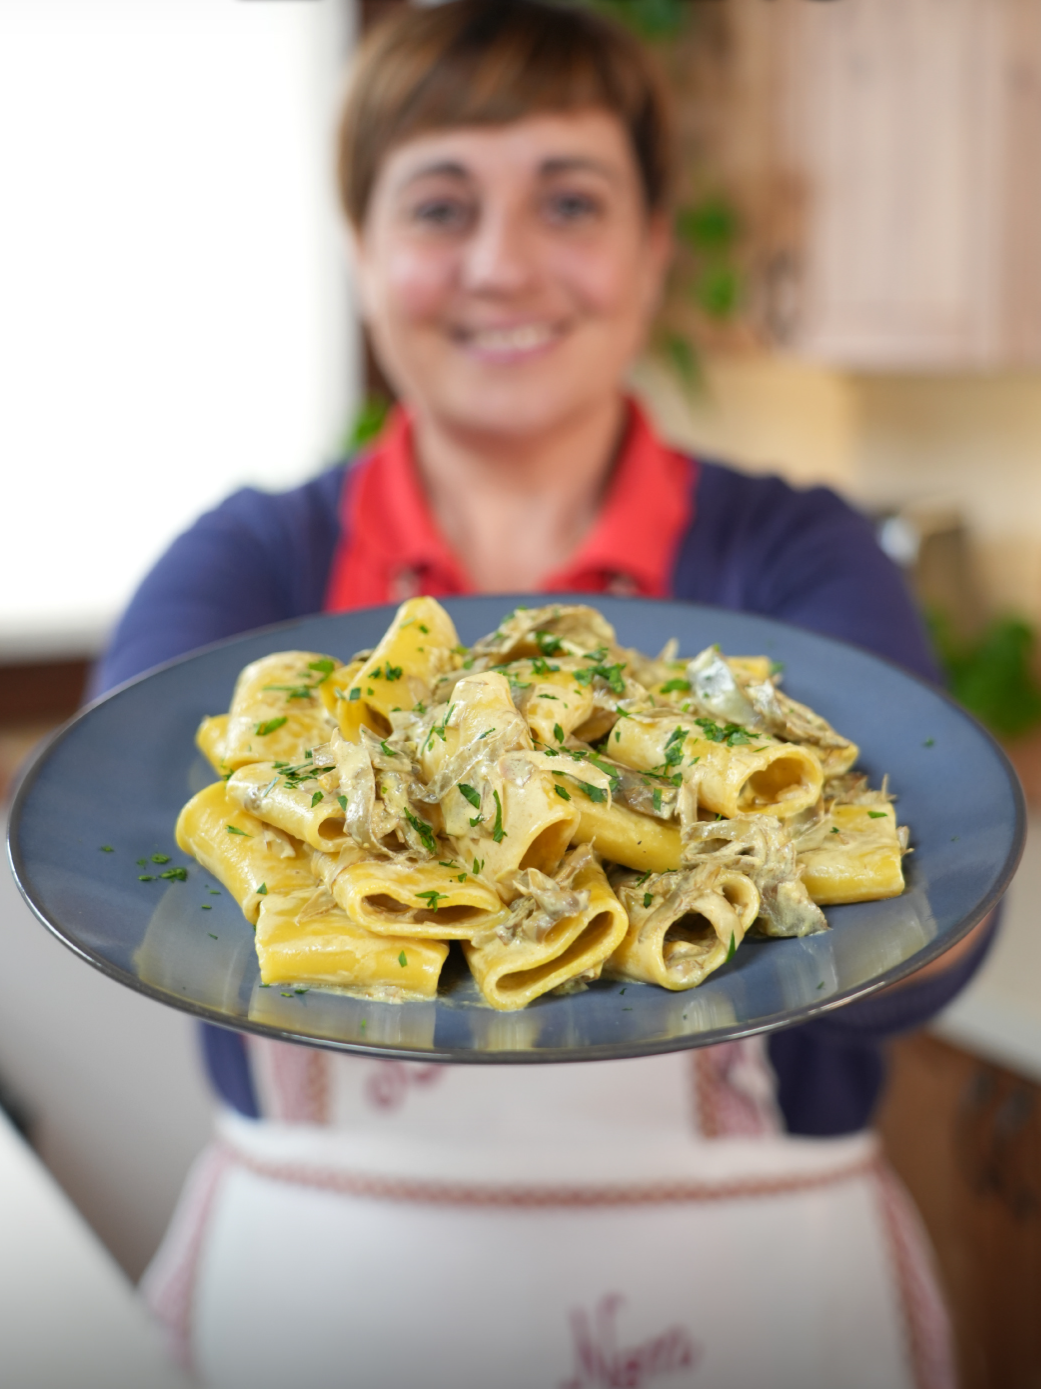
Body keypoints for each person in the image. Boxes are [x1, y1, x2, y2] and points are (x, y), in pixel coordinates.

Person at [97, 4, 990, 1385]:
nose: (503, 265)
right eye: (441, 204)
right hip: (322, 1301)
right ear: (362, 253)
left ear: (647, 252)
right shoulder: (249, 568)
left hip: (757, 1302)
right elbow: (136, 869)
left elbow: (934, 928)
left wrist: (897, 899)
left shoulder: (792, 554)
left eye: (569, 201)